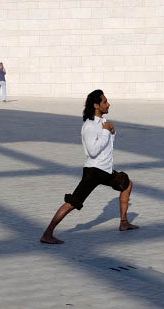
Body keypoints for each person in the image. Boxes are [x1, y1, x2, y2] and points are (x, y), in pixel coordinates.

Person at [40, 89, 140, 244]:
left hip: (105, 170)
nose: (108, 104)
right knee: (73, 202)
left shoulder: (103, 123)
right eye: (105, 101)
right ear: (96, 105)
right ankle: (47, 234)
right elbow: (93, 152)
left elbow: (107, 146)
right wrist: (107, 132)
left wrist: (112, 133)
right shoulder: (89, 126)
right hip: (93, 171)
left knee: (126, 184)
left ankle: (124, 222)